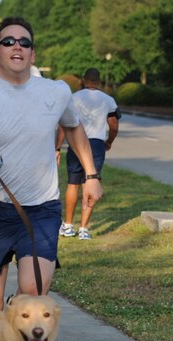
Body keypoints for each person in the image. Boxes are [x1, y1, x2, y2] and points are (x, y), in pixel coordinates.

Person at [0, 16, 102, 310]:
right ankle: (1, 340)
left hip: (41, 209)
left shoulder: (56, 91)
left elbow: (73, 128)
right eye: (8, 42)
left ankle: (18, 311)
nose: (17, 46)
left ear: (32, 53)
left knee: (34, 295)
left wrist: (91, 174)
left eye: (24, 42)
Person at [57, 68, 120, 240]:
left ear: (84, 79)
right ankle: (84, 229)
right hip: (97, 144)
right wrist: (109, 141)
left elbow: (64, 125)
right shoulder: (108, 100)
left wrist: (57, 148)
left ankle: (68, 226)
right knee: (90, 183)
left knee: (73, 184)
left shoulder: (74, 97)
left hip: (76, 143)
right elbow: (113, 125)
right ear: (99, 81)